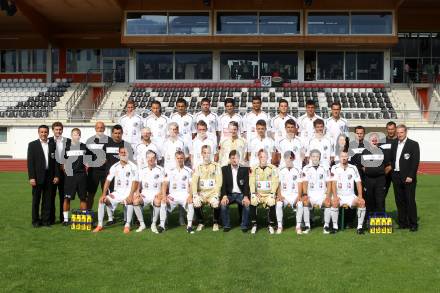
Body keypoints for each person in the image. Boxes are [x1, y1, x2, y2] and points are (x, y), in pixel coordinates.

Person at [93, 146, 139, 233]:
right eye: (122, 152)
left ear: (128, 154)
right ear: (119, 154)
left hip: (129, 192)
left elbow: (135, 181)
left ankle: (127, 225)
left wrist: (131, 195)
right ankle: (100, 225)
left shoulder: (133, 166)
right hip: (117, 193)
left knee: (129, 201)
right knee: (102, 200)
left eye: (125, 152)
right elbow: (108, 180)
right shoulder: (114, 166)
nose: (123, 154)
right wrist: (103, 194)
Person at [27, 125, 59, 227]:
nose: (44, 134)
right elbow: (30, 162)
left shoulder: (53, 145)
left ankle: (45, 221)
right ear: (38, 133)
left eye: (45, 132)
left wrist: (56, 175)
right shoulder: (32, 145)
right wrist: (31, 177)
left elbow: (56, 162)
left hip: (49, 176)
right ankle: (35, 221)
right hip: (37, 177)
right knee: (36, 200)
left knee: (47, 200)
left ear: (48, 133)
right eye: (42, 132)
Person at [390, 124, 420, 231]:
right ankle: (403, 223)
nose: (399, 134)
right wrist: (393, 173)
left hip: (408, 177)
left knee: (410, 200)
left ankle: (413, 224)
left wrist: (411, 175)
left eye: (401, 132)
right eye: (398, 132)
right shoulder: (394, 143)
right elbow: (391, 159)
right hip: (396, 176)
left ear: (406, 132)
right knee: (399, 200)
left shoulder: (413, 144)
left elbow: (415, 162)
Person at [330, 151, 367, 234]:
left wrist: (360, 196)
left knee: (362, 203)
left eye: (345, 156)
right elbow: (333, 183)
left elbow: (358, 182)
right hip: (339, 195)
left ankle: (360, 227)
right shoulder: (334, 168)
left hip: (350, 196)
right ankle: (335, 227)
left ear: (348, 158)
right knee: (334, 203)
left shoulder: (353, 168)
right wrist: (335, 196)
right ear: (339, 158)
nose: (343, 158)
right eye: (342, 156)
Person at [61, 128, 92, 226]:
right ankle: (66, 220)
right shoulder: (66, 147)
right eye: (74, 134)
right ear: (71, 136)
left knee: (83, 198)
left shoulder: (84, 147)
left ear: (80, 136)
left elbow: (91, 157)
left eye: (78, 134)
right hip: (70, 176)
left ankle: (83, 219)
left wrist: (88, 164)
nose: (76, 136)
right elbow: (62, 162)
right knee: (67, 198)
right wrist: (65, 171)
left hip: (82, 175)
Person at [132, 150, 167, 233]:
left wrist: (161, 193)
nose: (150, 159)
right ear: (146, 159)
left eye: (152, 158)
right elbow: (139, 183)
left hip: (156, 193)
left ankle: (153, 224)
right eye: (149, 158)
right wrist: (137, 192)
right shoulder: (142, 170)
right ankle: (142, 224)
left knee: (158, 201)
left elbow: (163, 183)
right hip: (145, 193)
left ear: (155, 159)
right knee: (135, 201)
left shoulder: (161, 169)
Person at [191, 145, 223, 232]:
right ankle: (201, 223)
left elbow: (219, 181)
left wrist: (217, 194)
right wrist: (194, 194)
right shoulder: (198, 166)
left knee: (216, 202)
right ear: (201, 154)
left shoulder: (216, 166)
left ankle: (215, 223)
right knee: (196, 201)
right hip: (201, 193)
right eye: (204, 153)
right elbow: (194, 181)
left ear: (211, 153)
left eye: (208, 153)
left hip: (212, 193)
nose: (206, 155)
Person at [163, 150, 195, 234]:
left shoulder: (189, 170)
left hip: (185, 194)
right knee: (163, 202)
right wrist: (164, 196)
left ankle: (189, 226)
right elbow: (165, 184)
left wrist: (190, 196)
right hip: (173, 195)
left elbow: (192, 184)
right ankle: (162, 225)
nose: (179, 160)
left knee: (191, 203)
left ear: (184, 158)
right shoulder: (170, 170)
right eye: (178, 158)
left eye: (181, 158)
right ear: (175, 159)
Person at [302, 149, 333, 234]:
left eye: (317, 156)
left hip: (322, 194)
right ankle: (307, 226)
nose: (315, 158)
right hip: (310, 194)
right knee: (305, 202)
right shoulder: (305, 168)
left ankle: (326, 226)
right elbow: (304, 183)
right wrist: (305, 195)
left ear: (319, 157)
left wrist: (328, 196)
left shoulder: (325, 168)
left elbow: (329, 182)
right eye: (313, 156)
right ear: (310, 157)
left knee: (327, 203)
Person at [249, 149, 279, 234]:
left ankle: (271, 225)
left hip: (268, 194)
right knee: (253, 200)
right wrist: (254, 192)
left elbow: (275, 181)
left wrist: (272, 193)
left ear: (267, 157)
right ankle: (254, 225)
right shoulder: (254, 168)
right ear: (258, 157)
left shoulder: (273, 168)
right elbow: (251, 181)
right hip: (258, 194)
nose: (263, 158)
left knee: (272, 201)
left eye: (265, 156)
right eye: (261, 156)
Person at [220, 150, 250, 232]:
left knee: (247, 205)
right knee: (223, 204)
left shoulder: (244, 169)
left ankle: (244, 225)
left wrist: (246, 196)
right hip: (229, 194)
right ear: (229, 159)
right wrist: (224, 196)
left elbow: (246, 185)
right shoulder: (224, 169)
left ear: (239, 159)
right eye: (232, 158)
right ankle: (226, 225)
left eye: (236, 158)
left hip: (241, 194)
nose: (234, 160)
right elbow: (223, 185)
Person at [361, 133, 391, 214]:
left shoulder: (383, 151)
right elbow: (362, 166)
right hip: (368, 179)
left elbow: (389, 166)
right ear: (369, 141)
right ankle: (368, 218)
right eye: (372, 140)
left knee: (380, 200)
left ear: (378, 141)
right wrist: (368, 172)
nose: (374, 142)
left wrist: (382, 173)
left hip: (380, 180)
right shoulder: (365, 151)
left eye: (375, 140)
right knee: (369, 199)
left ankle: (380, 218)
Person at [275, 151, 302, 234]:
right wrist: (279, 195)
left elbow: (300, 184)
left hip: (294, 195)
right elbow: (278, 184)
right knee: (279, 204)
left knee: (300, 205)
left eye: (290, 158)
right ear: (284, 159)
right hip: (284, 195)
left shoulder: (297, 170)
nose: (288, 160)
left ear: (293, 159)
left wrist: (299, 196)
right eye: (287, 158)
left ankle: (298, 226)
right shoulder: (280, 170)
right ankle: (280, 225)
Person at [49, 121, 70, 224]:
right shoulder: (47, 141)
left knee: (64, 196)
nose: (58, 131)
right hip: (52, 174)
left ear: (62, 130)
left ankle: (63, 218)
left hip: (64, 173)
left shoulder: (68, 141)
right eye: (56, 129)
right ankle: (51, 219)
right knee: (51, 196)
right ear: (53, 130)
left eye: (60, 129)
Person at [85, 121, 108, 210]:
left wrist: (107, 160)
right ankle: (88, 213)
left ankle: (110, 217)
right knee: (90, 194)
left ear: (104, 129)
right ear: (95, 129)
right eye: (98, 128)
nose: (100, 129)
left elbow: (111, 155)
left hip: (105, 171)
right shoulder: (90, 141)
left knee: (106, 194)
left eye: (101, 128)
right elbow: (86, 157)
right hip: (93, 171)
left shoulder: (109, 140)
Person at [383, 121, 397, 197]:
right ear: (386, 129)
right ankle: (380, 209)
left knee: (399, 192)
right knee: (382, 192)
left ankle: (402, 209)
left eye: (392, 129)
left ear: (395, 129)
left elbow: (400, 157)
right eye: (389, 129)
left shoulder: (399, 141)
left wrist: (391, 166)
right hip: (385, 171)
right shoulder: (381, 142)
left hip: (396, 171)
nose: (390, 131)